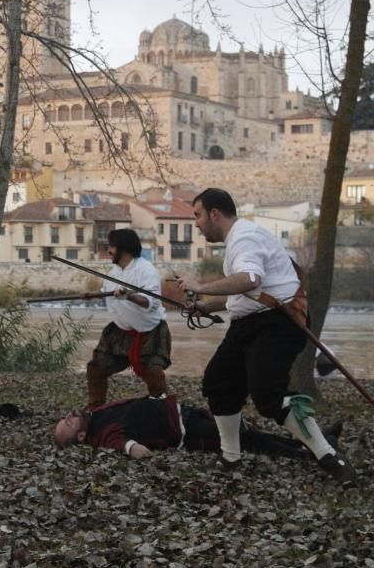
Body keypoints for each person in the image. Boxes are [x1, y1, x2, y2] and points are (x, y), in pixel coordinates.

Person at [176, 187, 356, 486]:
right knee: (218, 384)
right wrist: (205, 305)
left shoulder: (244, 238)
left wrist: (200, 285)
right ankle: (231, 457)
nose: (196, 223)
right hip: (251, 323)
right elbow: (248, 292)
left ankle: (328, 455)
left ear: (215, 213)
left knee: (268, 395)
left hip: (278, 323)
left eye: (198, 215)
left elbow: (249, 279)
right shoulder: (239, 240)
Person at [53, 394, 340, 461]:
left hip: (184, 414)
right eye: (69, 422)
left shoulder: (95, 415)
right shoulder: (102, 433)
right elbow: (122, 442)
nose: (69, 415)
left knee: (250, 434)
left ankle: (315, 444)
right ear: (80, 435)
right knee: (247, 439)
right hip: (187, 434)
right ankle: (313, 452)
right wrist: (136, 450)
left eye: (66, 416)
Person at [81, 228, 171, 411]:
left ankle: (163, 411)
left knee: (153, 373)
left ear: (123, 248)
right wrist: (93, 295)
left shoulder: (146, 270)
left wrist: (129, 295)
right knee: (96, 368)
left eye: (111, 247)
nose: (109, 251)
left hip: (149, 332)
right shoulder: (114, 271)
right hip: (120, 331)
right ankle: (95, 410)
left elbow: (150, 302)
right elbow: (109, 293)